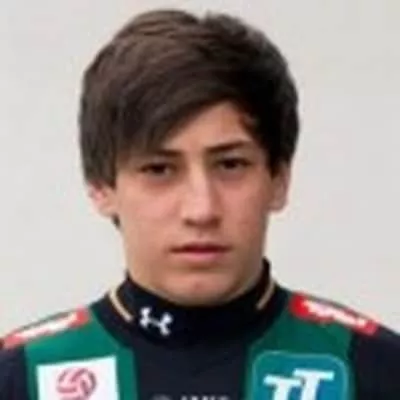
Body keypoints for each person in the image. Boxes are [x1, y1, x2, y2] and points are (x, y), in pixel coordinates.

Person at [1, 8, 399, 400]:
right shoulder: (20, 378)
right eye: (159, 169)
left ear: (279, 178)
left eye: (230, 165)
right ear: (100, 187)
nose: (201, 210)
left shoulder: (376, 371)